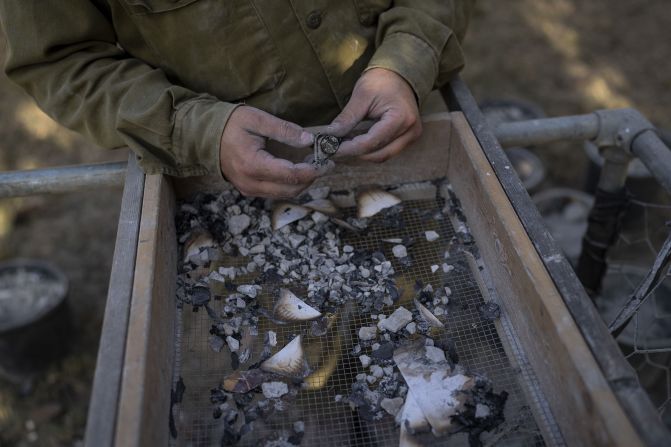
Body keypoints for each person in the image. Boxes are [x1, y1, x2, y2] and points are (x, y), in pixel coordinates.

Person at [0, 1, 472, 198]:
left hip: (406, 136)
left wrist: (408, 60)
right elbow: (60, 61)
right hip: (229, 183)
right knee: (292, 373)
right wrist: (198, 129)